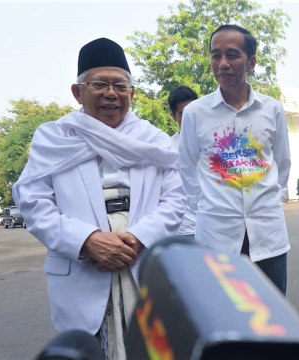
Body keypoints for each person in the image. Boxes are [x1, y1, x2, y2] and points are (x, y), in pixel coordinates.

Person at [12, 38, 186, 358]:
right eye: (100, 84)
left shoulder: (154, 140)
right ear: (78, 92)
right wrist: (86, 240)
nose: (111, 94)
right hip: (82, 270)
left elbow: (177, 199)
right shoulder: (55, 138)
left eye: (120, 85)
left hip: (141, 262)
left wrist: (137, 237)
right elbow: (32, 200)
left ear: (132, 93)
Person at [178, 25, 291, 294]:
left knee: (272, 314)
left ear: (251, 63)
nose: (223, 64)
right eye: (216, 55)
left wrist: (274, 199)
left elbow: (282, 161)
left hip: (267, 233)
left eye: (232, 55)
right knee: (223, 315)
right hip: (216, 235)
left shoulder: (271, 109)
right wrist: (205, 206)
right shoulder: (195, 113)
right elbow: (186, 166)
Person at [168, 86, 199, 241]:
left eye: (192, 111)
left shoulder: (213, 143)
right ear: (173, 116)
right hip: (186, 227)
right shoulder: (167, 148)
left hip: (217, 224)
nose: (189, 117)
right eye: (182, 113)